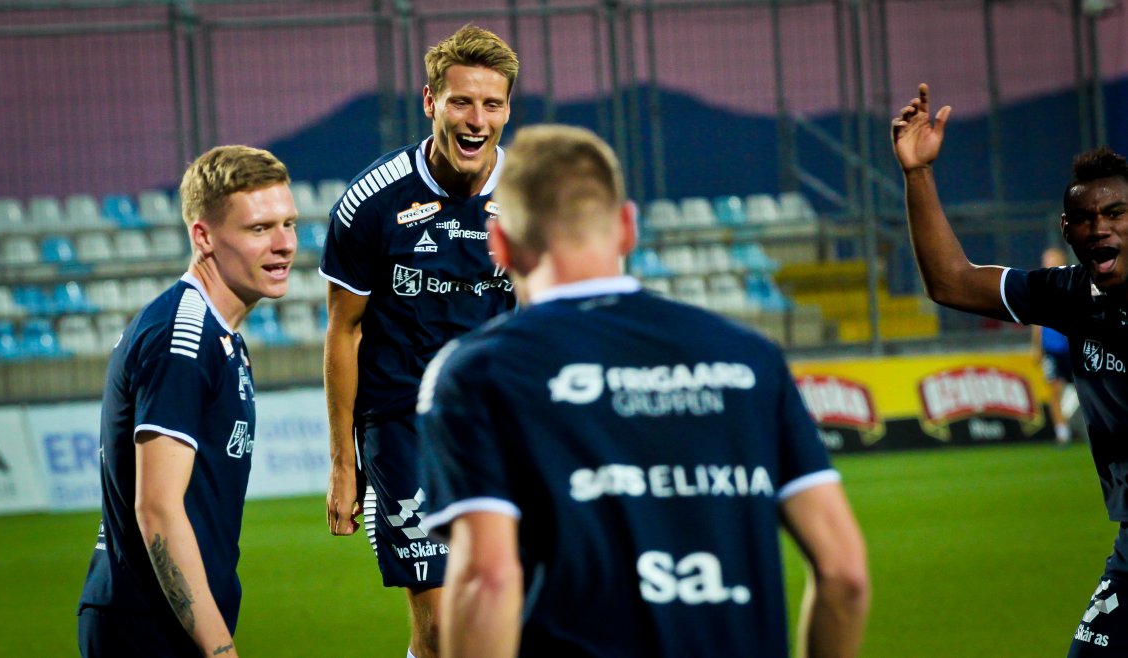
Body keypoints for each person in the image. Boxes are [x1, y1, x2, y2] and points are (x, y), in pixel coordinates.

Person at [415, 124, 870, 658]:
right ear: (628, 227)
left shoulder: (476, 373)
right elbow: (845, 575)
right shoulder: (750, 357)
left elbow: (487, 580)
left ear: (500, 244)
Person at [892, 83, 1128, 656]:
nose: (1099, 227)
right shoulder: (1071, 294)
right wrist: (918, 174)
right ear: (1066, 231)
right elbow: (950, 281)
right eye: (1084, 217)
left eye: (1116, 213)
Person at [319, 24, 519, 658]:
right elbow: (344, 331)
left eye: (491, 104)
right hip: (401, 421)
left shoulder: (530, 198)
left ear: (507, 110)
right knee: (439, 629)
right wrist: (343, 465)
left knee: (506, 612)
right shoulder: (371, 203)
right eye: (461, 102)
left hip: (498, 421)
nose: (476, 120)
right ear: (430, 102)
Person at [77, 145, 297, 657]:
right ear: (203, 236)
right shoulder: (183, 339)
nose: (285, 244)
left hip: (168, 622)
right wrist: (220, 651)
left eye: (289, 224)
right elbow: (157, 507)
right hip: (146, 627)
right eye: (259, 229)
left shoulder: (216, 335)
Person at [1031, 247, 1077, 445]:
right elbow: (1036, 322)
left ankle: (1095, 428)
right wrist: (1036, 347)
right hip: (1051, 349)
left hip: (1073, 348)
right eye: (1046, 260)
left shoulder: (1073, 284)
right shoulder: (1040, 288)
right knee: (1054, 391)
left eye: (1052, 259)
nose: (1048, 263)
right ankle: (1062, 433)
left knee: (1086, 389)